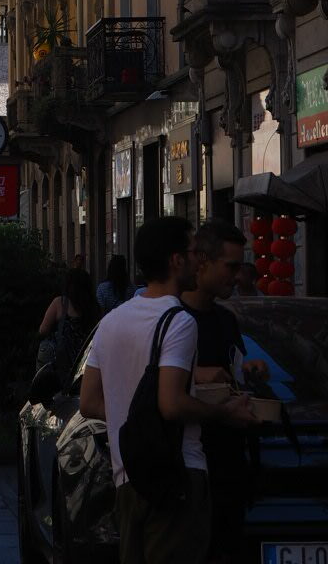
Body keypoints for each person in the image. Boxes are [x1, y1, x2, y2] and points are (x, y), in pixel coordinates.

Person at [80, 216, 253, 564]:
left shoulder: (111, 321)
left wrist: (134, 414)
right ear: (176, 260)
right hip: (177, 475)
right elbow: (172, 404)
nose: (199, 260)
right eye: (193, 252)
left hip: (128, 475)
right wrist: (224, 411)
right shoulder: (179, 321)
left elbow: (88, 402)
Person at [183, 220, 270, 564]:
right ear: (201, 261)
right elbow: (146, 381)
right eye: (230, 266)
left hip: (232, 471)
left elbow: (233, 376)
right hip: (190, 475)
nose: (237, 276)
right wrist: (196, 375)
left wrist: (248, 372)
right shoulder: (172, 319)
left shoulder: (225, 319)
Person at [37, 266, 100, 378]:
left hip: (63, 366)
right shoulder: (94, 307)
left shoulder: (60, 303)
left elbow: (43, 330)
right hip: (89, 365)